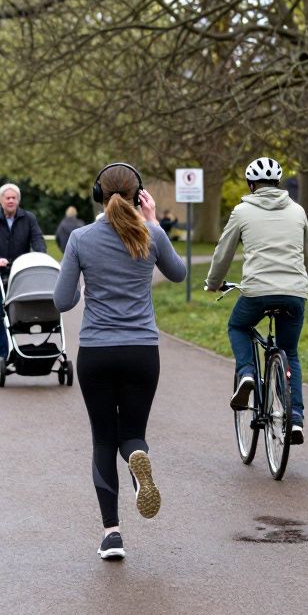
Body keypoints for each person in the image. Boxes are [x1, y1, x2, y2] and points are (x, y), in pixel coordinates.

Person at [53, 163, 187, 561]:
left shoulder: (80, 237)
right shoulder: (151, 234)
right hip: (141, 351)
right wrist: (154, 223)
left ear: (97, 193)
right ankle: (136, 459)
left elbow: (63, 301)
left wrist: (82, 282)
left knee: (101, 439)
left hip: (97, 351)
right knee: (131, 434)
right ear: (139, 193)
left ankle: (112, 534)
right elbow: (178, 274)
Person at [205, 157, 308, 444]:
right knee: (289, 351)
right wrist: (301, 282)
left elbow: (223, 253)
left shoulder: (242, 211)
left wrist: (213, 283)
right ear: (278, 184)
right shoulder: (298, 211)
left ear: (251, 185)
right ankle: (295, 421)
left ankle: (247, 374)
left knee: (238, 327)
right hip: (294, 292)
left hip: (257, 292)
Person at [0, 184, 46, 371]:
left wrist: (39, 255)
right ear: (1, 200)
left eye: (14, 198)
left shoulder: (28, 218)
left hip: (19, 276)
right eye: (7, 198)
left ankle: (15, 351)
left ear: (18, 200)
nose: (10, 201)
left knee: (16, 315)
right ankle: (1, 354)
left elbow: (38, 239)